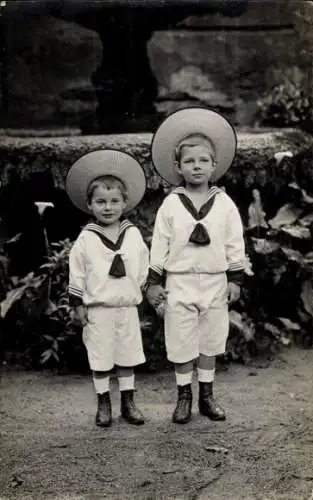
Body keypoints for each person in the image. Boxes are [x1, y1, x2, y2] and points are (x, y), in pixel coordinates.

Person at [146, 107, 246, 424]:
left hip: (215, 281)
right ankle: (183, 398)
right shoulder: (172, 204)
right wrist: (154, 281)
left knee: (211, 339)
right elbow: (159, 242)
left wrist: (235, 279)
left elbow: (234, 241)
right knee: (180, 340)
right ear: (178, 166)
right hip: (180, 281)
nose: (197, 166)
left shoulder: (225, 204)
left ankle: (206, 396)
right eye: (189, 161)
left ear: (214, 165)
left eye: (203, 160)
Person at [66, 149, 149, 427]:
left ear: (125, 203)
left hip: (125, 307)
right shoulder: (87, 239)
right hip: (98, 309)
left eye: (114, 201)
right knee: (101, 357)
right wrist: (77, 305)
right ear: (90, 205)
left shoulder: (133, 234)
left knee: (127, 355)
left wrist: (145, 290)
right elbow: (77, 272)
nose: (108, 207)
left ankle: (128, 402)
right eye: (100, 202)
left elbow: (142, 267)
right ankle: (104, 403)